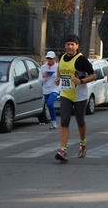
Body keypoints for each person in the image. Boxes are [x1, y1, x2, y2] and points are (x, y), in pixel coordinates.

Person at [54, 34, 96, 162]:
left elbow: (93, 75)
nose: (70, 47)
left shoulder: (81, 59)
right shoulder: (61, 57)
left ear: (77, 46)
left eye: (72, 44)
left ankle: (82, 143)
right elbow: (60, 68)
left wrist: (82, 81)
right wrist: (58, 77)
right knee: (64, 121)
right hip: (66, 94)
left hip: (79, 95)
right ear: (65, 46)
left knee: (80, 121)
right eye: (68, 44)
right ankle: (63, 150)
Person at [38, 51, 60, 129]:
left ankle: (54, 122)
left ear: (54, 58)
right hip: (46, 89)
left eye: (51, 58)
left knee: (50, 104)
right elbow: (40, 80)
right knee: (49, 105)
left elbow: (60, 77)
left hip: (54, 88)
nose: (49, 60)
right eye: (48, 58)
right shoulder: (43, 67)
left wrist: (58, 82)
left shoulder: (58, 67)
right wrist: (44, 76)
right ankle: (53, 122)